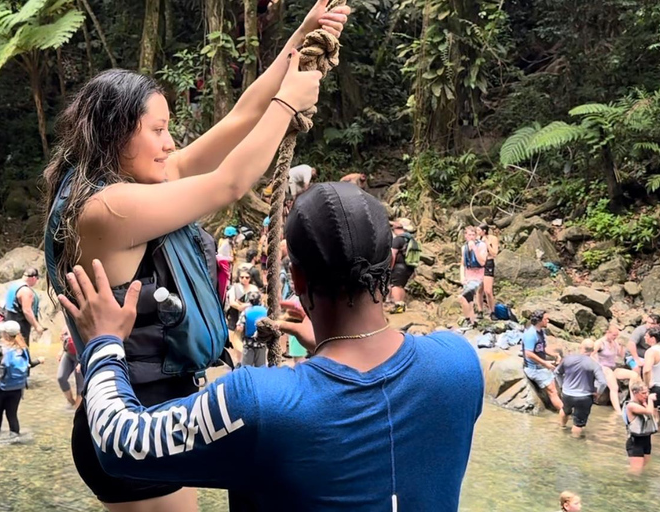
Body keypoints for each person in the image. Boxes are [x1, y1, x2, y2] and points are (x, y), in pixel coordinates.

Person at [42, 2, 349, 509]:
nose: (170, 143)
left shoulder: (130, 182)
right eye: (157, 131)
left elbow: (240, 117)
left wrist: (301, 36)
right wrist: (289, 108)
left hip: (155, 414)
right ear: (117, 135)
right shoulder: (107, 208)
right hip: (134, 423)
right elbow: (229, 182)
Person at [58, 182, 484, 511]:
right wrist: (329, 350)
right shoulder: (459, 364)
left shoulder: (261, 402)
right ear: (391, 267)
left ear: (294, 281)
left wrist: (104, 343)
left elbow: (118, 443)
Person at [0, 321, 45, 434]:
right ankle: (16, 438)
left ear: (5, 334)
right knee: (12, 415)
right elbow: (29, 364)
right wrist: (39, 360)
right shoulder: (23, 348)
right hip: (17, 387)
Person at [555, 339, 608, 437]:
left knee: (565, 410)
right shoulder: (594, 365)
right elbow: (603, 382)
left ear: (581, 347)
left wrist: (562, 386)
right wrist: (598, 393)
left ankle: (561, 429)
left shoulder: (567, 359)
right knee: (578, 423)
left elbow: (557, 372)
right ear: (592, 350)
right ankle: (575, 443)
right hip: (584, 397)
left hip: (567, 394)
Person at [522, 310, 563, 411]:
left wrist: (554, 355)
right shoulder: (531, 334)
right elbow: (528, 353)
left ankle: (563, 410)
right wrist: (545, 363)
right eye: (546, 319)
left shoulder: (540, 332)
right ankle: (564, 413)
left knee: (556, 386)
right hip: (534, 369)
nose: (548, 321)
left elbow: (541, 348)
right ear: (539, 321)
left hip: (541, 367)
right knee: (552, 391)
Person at [591, 324, 638, 413]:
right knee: (614, 387)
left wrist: (622, 346)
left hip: (613, 367)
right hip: (603, 367)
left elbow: (621, 355)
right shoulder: (600, 343)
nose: (615, 337)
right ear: (607, 332)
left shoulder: (615, 342)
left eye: (616, 335)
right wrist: (598, 366)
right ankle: (618, 411)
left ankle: (633, 401)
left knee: (634, 375)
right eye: (613, 335)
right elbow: (591, 355)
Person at [4, 268, 44, 355]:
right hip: (19, 325)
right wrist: (37, 326)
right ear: (34, 278)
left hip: (9, 322)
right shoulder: (25, 291)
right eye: (37, 279)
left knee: (10, 348)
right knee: (22, 350)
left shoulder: (14, 285)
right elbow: (27, 311)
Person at [623, 381, 657, 475]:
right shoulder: (631, 405)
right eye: (643, 393)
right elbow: (649, 412)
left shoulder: (644, 404)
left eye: (647, 393)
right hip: (635, 442)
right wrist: (650, 399)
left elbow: (653, 416)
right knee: (635, 472)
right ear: (635, 392)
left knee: (645, 470)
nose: (646, 395)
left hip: (646, 440)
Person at [458, 226, 487, 328]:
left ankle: (467, 320)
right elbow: (463, 264)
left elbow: (482, 262)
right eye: (469, 235)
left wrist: (474, 249)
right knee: (469, 300)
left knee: (462, 297)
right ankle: (472, 321)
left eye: (473, 235)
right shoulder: (463, 247)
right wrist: (462, 277)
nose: (471, 237)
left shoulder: (482, 245)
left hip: (479, 275)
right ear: (465, 236)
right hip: (468, 275)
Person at [388, 218, 416, 314]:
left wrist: (390, 267)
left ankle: (397, 306)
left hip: (399, 266)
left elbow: (393, 254)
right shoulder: (411, 238)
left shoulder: (398, 239)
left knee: (395, 285)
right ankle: (401, 305)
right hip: (409, 267)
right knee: (401, 286)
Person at [236, 291, 268, 367]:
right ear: (260, 300)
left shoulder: (245, 312)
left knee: (246, 369)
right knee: (260, 369)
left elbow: (239, 328)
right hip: (261, 344)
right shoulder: (266, 311)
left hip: (248, 344)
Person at [641, 326, 660, 407]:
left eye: (646, 336)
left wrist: (646, 386)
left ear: (653, 339)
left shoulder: (651, 351)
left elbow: (646, 371)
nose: (644, 337)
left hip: (658, 388)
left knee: (654, 414)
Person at [57, 328, 84, 407]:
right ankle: (71, 403)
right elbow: (66, 337)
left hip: (80, 356)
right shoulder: (68, 321)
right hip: (69, 354)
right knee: (61, 378)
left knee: (80, 387)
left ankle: (77, 411)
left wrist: (82, 361)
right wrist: (61, 350)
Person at [477, 223, 499, 319]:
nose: (477, 232)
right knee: (479, 289)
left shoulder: (492, 239)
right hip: (479, 264)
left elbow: (494, 253)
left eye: (478, 231)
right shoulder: (477, 239)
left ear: (484, 231)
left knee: (488, 290)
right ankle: (480, 311)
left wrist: (487, 244)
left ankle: (492, 312)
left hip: (489, 263)